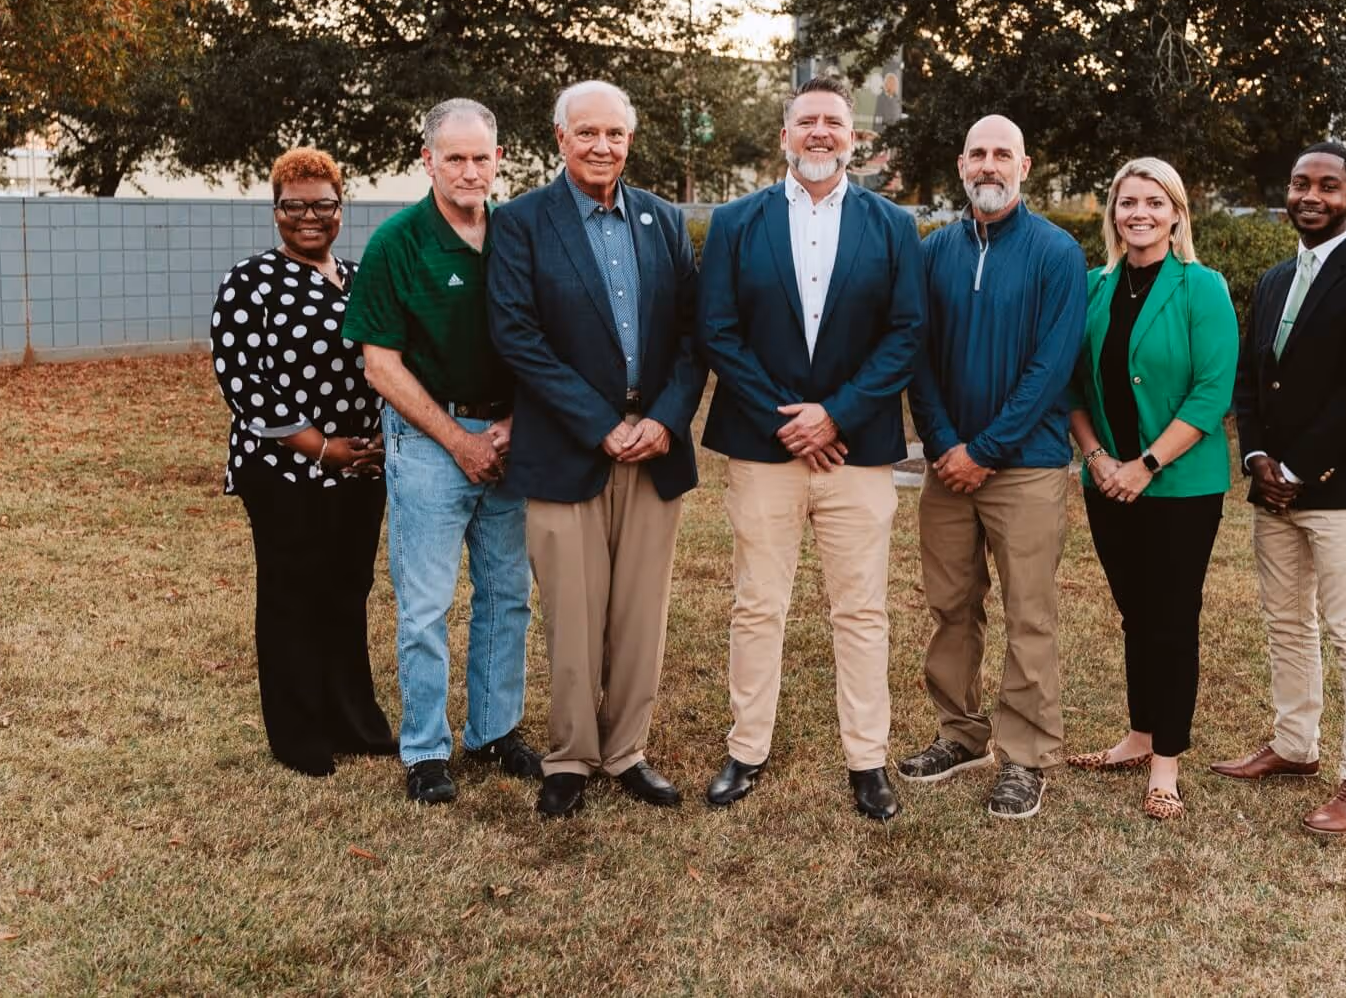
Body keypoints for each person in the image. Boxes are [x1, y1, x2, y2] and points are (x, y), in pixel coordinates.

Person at [695, 74, 924, 822]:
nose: (820, 133)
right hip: (764, 451)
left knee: (860, 609)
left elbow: (906, 332)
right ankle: (746, 748)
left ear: (852, 138)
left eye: (833, 122)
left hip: (856, 451)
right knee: (758, 604)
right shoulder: (736, 221)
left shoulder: (892, 224)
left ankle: (867, 758)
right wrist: (783, 418)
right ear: (784, 136)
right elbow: (718, 330)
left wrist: (837, 414)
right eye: (806, 122)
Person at [486, 80, 706, 818]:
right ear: (559, 138)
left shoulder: (663, 219)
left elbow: (690, 334)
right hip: (568, 446)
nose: (601, 146)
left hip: (653, 448)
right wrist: (598, 422)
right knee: (573, 615)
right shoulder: (520, 223)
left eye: (614, 134)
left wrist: (667, 420)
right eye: (587, 133)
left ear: (629, 141)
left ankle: (627, 750)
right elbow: (517, 334)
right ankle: (572, 755)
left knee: (641, 610)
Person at [343, 100, 540, 806]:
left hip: (511, 438)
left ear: (499, 159)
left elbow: (544, 336)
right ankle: (426, 747)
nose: (468, 170)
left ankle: (495, 729)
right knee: (425, 604)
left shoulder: (518, 233)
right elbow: (379, 363)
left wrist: (514, 423)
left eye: (480, 157)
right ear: (427, 160)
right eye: (453, 157)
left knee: (507, 595)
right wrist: (458, 441)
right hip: (431, 443)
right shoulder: (398, 241)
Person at [1212, 140, 1346, 835]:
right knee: (1285, 621)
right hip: (1275, 491)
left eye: (1328, 185)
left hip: (1344, 489)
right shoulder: (1272, 280)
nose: (1310, 195)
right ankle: (1295, 745)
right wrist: (1258, 455)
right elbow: (1249, 379)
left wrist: (1300, 469)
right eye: (1300, 183)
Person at [902, 115, 1087, 820]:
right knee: (950, 605)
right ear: (960, 165)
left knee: (1028, 613)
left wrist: (986, 449)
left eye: (1001, 152)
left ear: (1024, 164)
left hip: (1027, 466)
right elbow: (917, 357)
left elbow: (1051, 367)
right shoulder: (934, 251)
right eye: (977, 153)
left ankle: (1027, 755)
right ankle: (960, 732)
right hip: (947, 466)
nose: (988, 164)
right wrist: (947, 442)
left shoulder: (1056, 252)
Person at [1063, 158, 1239, 820]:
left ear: (1176, 213)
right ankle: (1138, 734)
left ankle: (1166, 763)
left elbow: (1211, 391)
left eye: (1152, 202)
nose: (1138, 212)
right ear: (1112, 213)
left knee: (1171, 618)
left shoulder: (1202, 287)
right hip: (1105, 480)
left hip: (1180, 486)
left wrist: (1145, 464)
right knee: (1136, 612)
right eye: (1126, 202)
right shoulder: (1093, 286)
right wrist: (1098, 456)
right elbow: (1073, 385)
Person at [210, 147, 393, 778]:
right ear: (276, 209)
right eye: (294, 205)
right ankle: (297, 732)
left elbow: (388, 361)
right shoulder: (250, 281)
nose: (308, 217)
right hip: (284, 467)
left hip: (362, 467)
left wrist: (373, 442)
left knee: (347, 591)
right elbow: (244, 385)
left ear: (342, 208)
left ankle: (353, 719)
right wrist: (321, 446)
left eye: (322, 204)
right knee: (293, 594)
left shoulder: (362, 274)